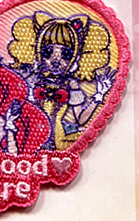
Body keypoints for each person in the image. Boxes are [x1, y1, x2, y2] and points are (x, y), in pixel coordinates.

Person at [8, 12, 116, 150]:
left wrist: (99, 95)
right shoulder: (31, 82)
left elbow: (81, 119)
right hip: (30, 140)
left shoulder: (71, 86)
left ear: (76, 57)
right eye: (48, 52)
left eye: (65, 54)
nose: (56, 60)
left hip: (59, 142)